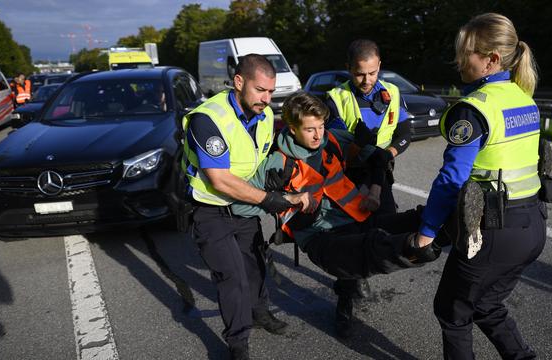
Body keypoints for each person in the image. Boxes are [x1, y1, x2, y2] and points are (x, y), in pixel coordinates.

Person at [231, 91, 440, 339]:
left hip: (353, 216)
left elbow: (377, 158)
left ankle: (446, 221)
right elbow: (239, 206)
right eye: (310, 129)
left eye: (321, 126)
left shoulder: (332, 139)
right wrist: (284, 198)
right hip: (319, 236)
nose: (318, 135)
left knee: (403, 221)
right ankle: (413, 248)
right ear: (292, 129)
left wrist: (371, 176)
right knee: (366, 249)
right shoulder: (277, 163)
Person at [415, 13, 547, 359]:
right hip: (532, 226)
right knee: (487, 304)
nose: (459, 60)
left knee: (452, 312)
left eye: (466, 53)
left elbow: (451, 178)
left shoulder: (475, 109)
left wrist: (426, 231)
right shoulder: (523, 99)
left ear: (490, 60)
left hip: (492, 231)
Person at [181, 54, 313, 360]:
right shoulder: (208, 119)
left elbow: (261, 157)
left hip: (245, 208)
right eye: (260, 90)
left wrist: (278, 171)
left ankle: (259, 313)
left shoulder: (264, 116)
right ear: (239, 82)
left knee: (255, 267)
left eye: (271, 91)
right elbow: (220, 180)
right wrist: (270, 200)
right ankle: (238, 344)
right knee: (233, 279)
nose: (267, 99)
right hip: (211, 211)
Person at [326, 39, 411, 216]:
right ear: (348, 67)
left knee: (388, 228)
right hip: (350, 178)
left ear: (379, 65)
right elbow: (336, 154)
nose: (366, 80)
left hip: (381, 174)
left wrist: (388, 154)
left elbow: (405, 134)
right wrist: (358, 146)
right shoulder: (336, 99)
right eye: (359, 74)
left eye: (372, 73)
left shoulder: (393, 92)